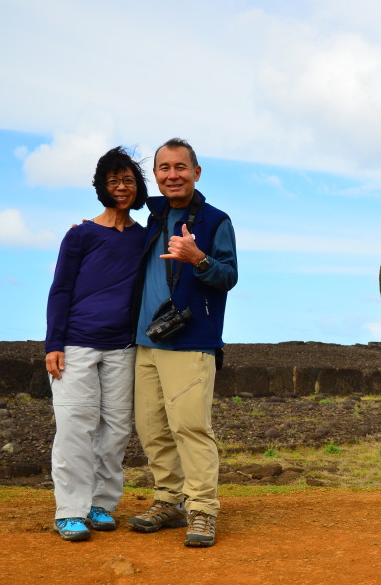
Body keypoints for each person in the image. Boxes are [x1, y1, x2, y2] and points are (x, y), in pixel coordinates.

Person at [127, 138, 238, 548]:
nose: (172, 175)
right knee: (152, 428)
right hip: (145, 342)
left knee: (190, 427)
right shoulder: (152, 220)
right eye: (164, 168)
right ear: (155, 176)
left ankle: (203, 510)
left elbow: (228, 276)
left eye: (180, 167)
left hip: (191, 342)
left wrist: (198, 258)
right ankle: (168, 501)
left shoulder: (214, 220)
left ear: (196, 172)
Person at [45, 147, 149, 542]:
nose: (121, 187)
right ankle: (69, 511)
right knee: (75, 426)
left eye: (128, 180)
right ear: (101, 187)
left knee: (117, 428)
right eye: (113, 181)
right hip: (77, 345)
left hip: (124, 347)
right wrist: (53, 343)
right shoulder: (81, 234)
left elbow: (168, 205)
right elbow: (61, 290)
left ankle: (101, 504)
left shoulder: (145, 237)